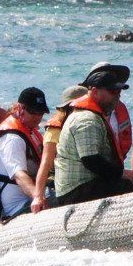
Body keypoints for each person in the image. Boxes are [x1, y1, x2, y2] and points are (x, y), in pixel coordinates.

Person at [52, 64, 133, 207]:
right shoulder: (87, 119)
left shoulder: (92, 116)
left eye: (119, 91)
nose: (118, 95)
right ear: (94, 92)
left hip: (83, 185)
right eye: (112, 91)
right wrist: (122, 173)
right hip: (76, 191)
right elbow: (91, 160)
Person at [0, 88, 48, 219]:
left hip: (28, 199)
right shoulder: (12, 139)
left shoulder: (31, 133)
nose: (38, 117)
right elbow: (19, 175)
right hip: (17, 207)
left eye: (41, 113)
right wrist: (37, 196)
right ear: (20, 108)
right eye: (33, 112)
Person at [31, 83, 88, 212]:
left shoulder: (89, 124)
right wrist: (38, 196)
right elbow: (45, 163)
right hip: (59, 183)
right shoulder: (55, 130)